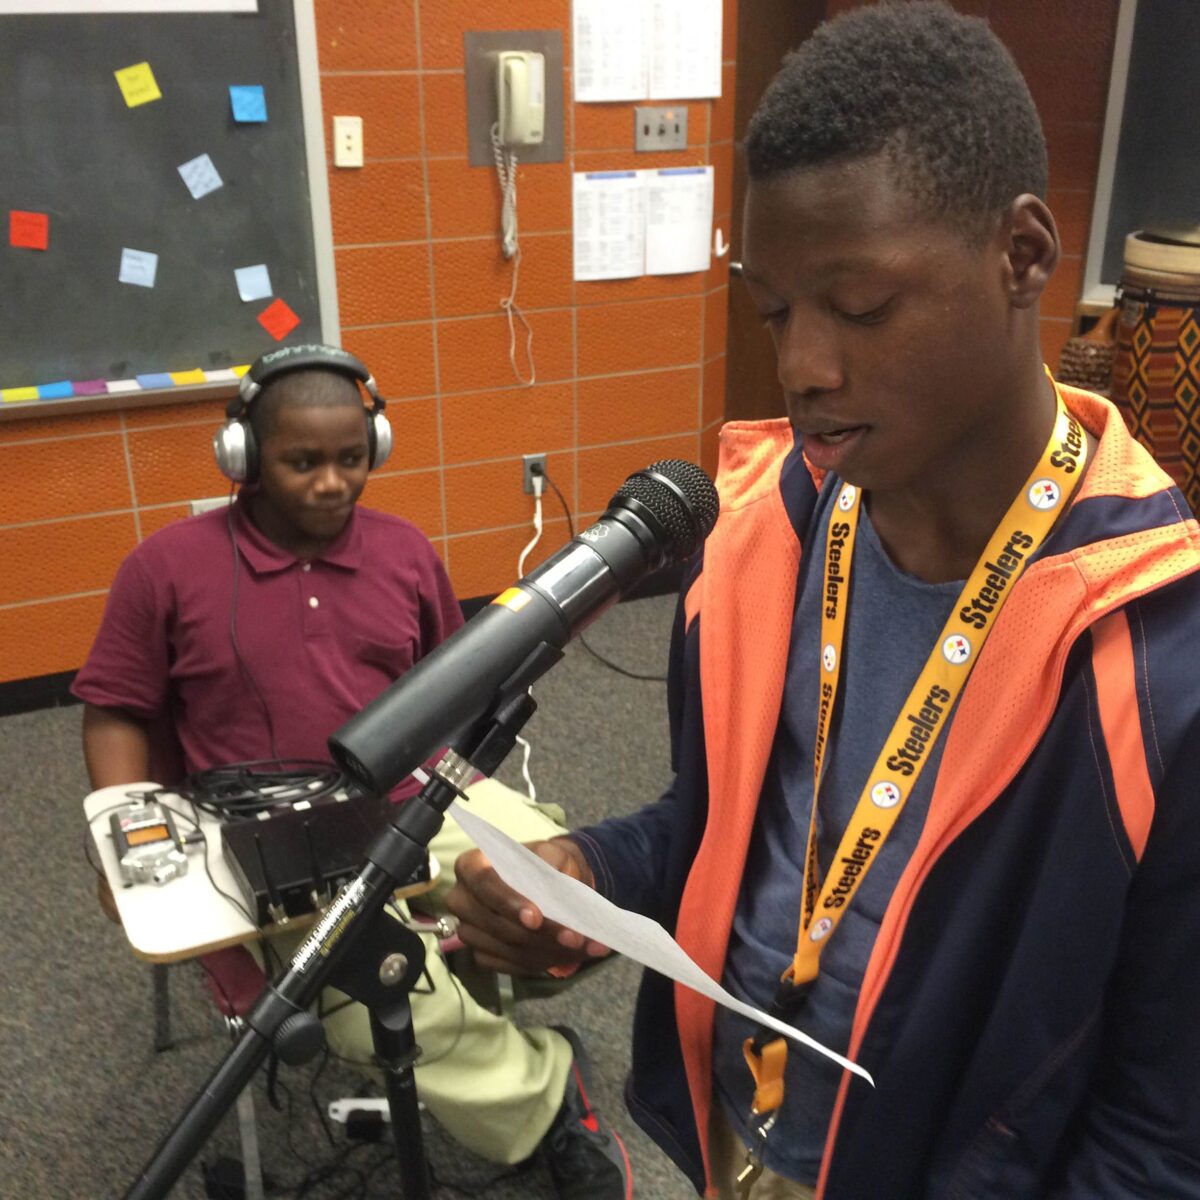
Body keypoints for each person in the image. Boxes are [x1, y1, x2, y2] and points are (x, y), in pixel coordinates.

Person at [445, 5, 1200, 1199]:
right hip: (738, 1146)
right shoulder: (764, 538)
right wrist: (592, 875)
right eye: (774, 310)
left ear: (1022, 255)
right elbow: (735, 826)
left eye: (860, 307)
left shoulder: (1161, 662)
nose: (803, 366)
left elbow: (1162, 1132)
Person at [73, 343, 632, 1200]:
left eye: (351, 459)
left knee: (565, 895)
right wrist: (121, 837)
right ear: (245, 457)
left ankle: (473, 993)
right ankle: (547, 1097)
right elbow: (115, 709)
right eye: (302, 462)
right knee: (388, 1002)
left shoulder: (404, 551)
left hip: (421, 793)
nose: (332, 483)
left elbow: (454, 685)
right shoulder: (165, 569)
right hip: (270, 833)